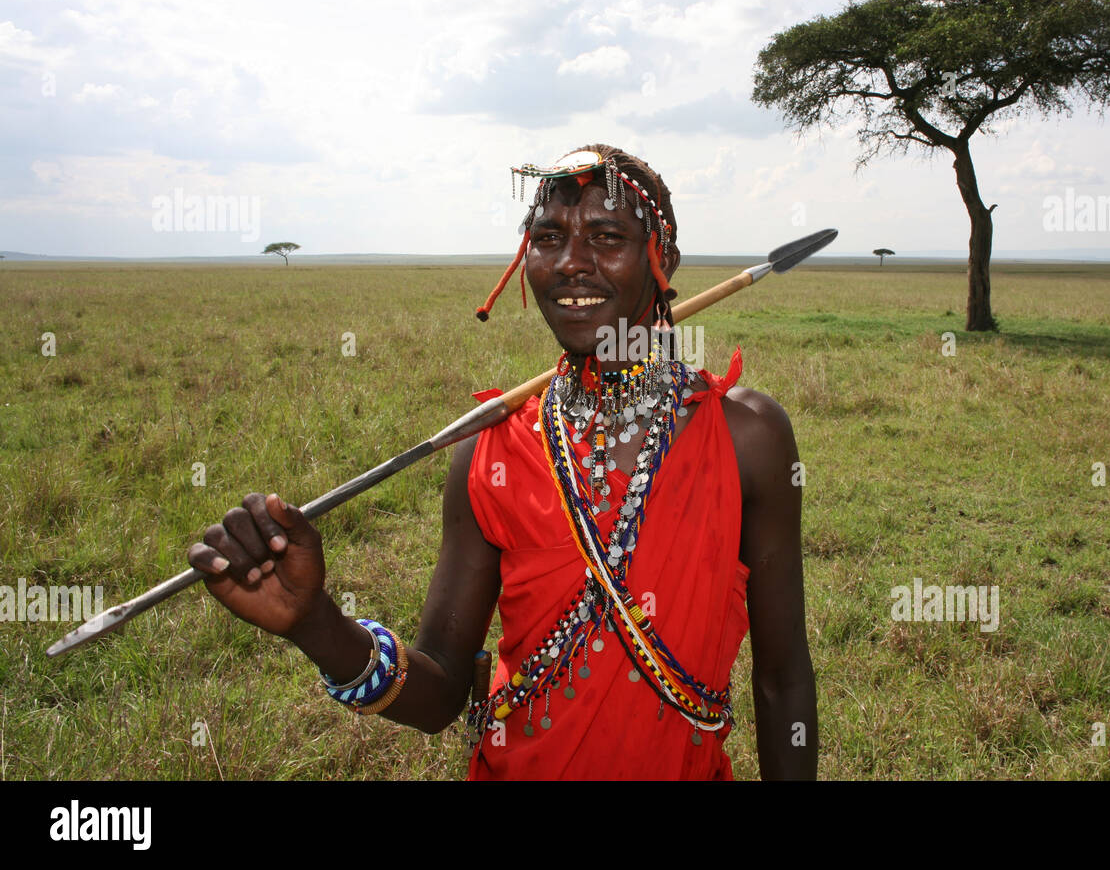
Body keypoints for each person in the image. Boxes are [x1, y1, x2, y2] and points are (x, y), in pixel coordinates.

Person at [187, 143, 817, 779]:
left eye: (606, 236)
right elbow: (436, 694)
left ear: (664, 259)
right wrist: (315, 622)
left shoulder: (745, 439)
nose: (572, 262)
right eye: (548, 237)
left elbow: (784, 678)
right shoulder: (490, 451)